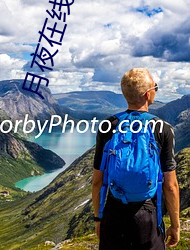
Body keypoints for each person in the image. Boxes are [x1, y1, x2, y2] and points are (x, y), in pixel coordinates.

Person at [92, 68, 180, 250]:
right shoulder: (162, 129)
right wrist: (175, 225)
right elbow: (170, 185)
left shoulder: (108, 125)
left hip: (114, 212)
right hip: (147, 215)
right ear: (148, 94)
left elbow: (97, 181)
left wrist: (98, 218)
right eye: (156, 87)